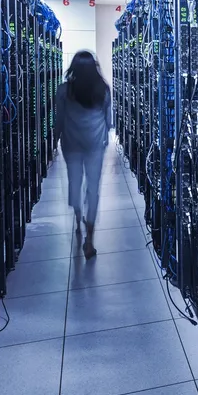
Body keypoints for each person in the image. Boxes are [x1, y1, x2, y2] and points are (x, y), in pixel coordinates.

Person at [54, 51, 112, 259]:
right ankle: (90, 239)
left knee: (75, 184)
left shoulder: (63, 91)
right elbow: (109, 121)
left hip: (71, 145)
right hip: (95, 145)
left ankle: (78, 218)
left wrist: (53, 141)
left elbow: (59, 120)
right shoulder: (103, 90)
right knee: (93, 190)